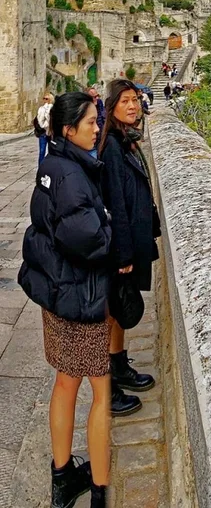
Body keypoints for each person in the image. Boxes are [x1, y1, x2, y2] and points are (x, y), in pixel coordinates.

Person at [17, 91, 116, 508]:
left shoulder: (51, 165)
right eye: (92, 123)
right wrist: (111, 228)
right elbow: (89, 240)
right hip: (80, 296)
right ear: (67, 129)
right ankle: (98, 489)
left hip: (56, 294)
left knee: (64, 382)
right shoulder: (73, 174)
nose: (98, 129)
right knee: (101, 390)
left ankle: (61, 482)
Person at [96, 79, 159, 416]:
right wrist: (122, 255)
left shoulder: (127, 140)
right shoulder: (113, 148)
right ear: (112, 107)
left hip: (132, 240)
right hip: (120, 248)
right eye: (125, 102)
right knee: (110, 314)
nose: (133, 106)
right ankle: (106, 386)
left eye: (135, 100)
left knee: (119, 311)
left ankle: (119, 366)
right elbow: (115, 204)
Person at [34, 92, 53, 166]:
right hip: (43, 132)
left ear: (50, 99)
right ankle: (40, 168)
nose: (45, 100)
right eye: (44, 98)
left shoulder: (52, 109)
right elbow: (40, 120)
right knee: (42, 151)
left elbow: (51, 119)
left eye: (47, 98)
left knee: (52, 151)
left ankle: (50, 167)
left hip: (50, 132)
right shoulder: (41, 109)